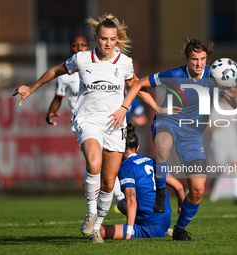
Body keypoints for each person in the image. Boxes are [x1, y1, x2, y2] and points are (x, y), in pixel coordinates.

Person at [13, 13, 142, 243]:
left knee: (109, 184)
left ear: (117, 39)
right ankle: (91, 212)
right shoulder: (82, 59)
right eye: (103, 39)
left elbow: (136, 85)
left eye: (112, 39)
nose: (108, 43)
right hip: (88, 120)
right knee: (94, 163)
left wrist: (157, 109)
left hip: (115, 125)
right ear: (96, 38)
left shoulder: (124, 62)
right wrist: (31, 89)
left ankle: (97, 228)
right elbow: (55, 71)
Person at [122, 38, 237, 241]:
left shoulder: (214, 76)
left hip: (192, 134)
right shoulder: (174, 75)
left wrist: (234, 94)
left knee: (197, 190)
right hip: (167, 121)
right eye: (194, 59)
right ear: (186, 58)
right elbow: (138, 83)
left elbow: (233, 103)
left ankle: (179, 229)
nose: (199, 63)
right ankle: (160, 191)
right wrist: (133, 107)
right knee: (163, 145)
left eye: (202, 58)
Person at [44, 33, 125, 231]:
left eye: (82, 45)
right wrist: (52, 111)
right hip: (84, 122)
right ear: (70, 47)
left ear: (89, 46)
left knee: (108, 171)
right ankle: (108, 203)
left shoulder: (102, 65)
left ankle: (117, 205)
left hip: (109, 123)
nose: (79, 48)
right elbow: (58, 97)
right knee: (95, 162)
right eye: (75, 45)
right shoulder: (69, 72)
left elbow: (124, 87)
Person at [99, 124, 184, 240]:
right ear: (137, 148)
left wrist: (129, 233)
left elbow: (131, 200)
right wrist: (180, 208)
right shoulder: (150, 161)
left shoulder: (126, 167)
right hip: (165, 220)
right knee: (120, 204)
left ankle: (138, 228)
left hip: (151, 226)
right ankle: (163, 230)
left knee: (98, 231)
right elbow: (179, 187)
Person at [208, 98, 237, 204]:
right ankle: (213, 190)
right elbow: (209, 125)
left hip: (234, 142)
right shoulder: (216, 108)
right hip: (219, 143)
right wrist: (222, 123)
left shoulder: (234, 109)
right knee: (220, 169)